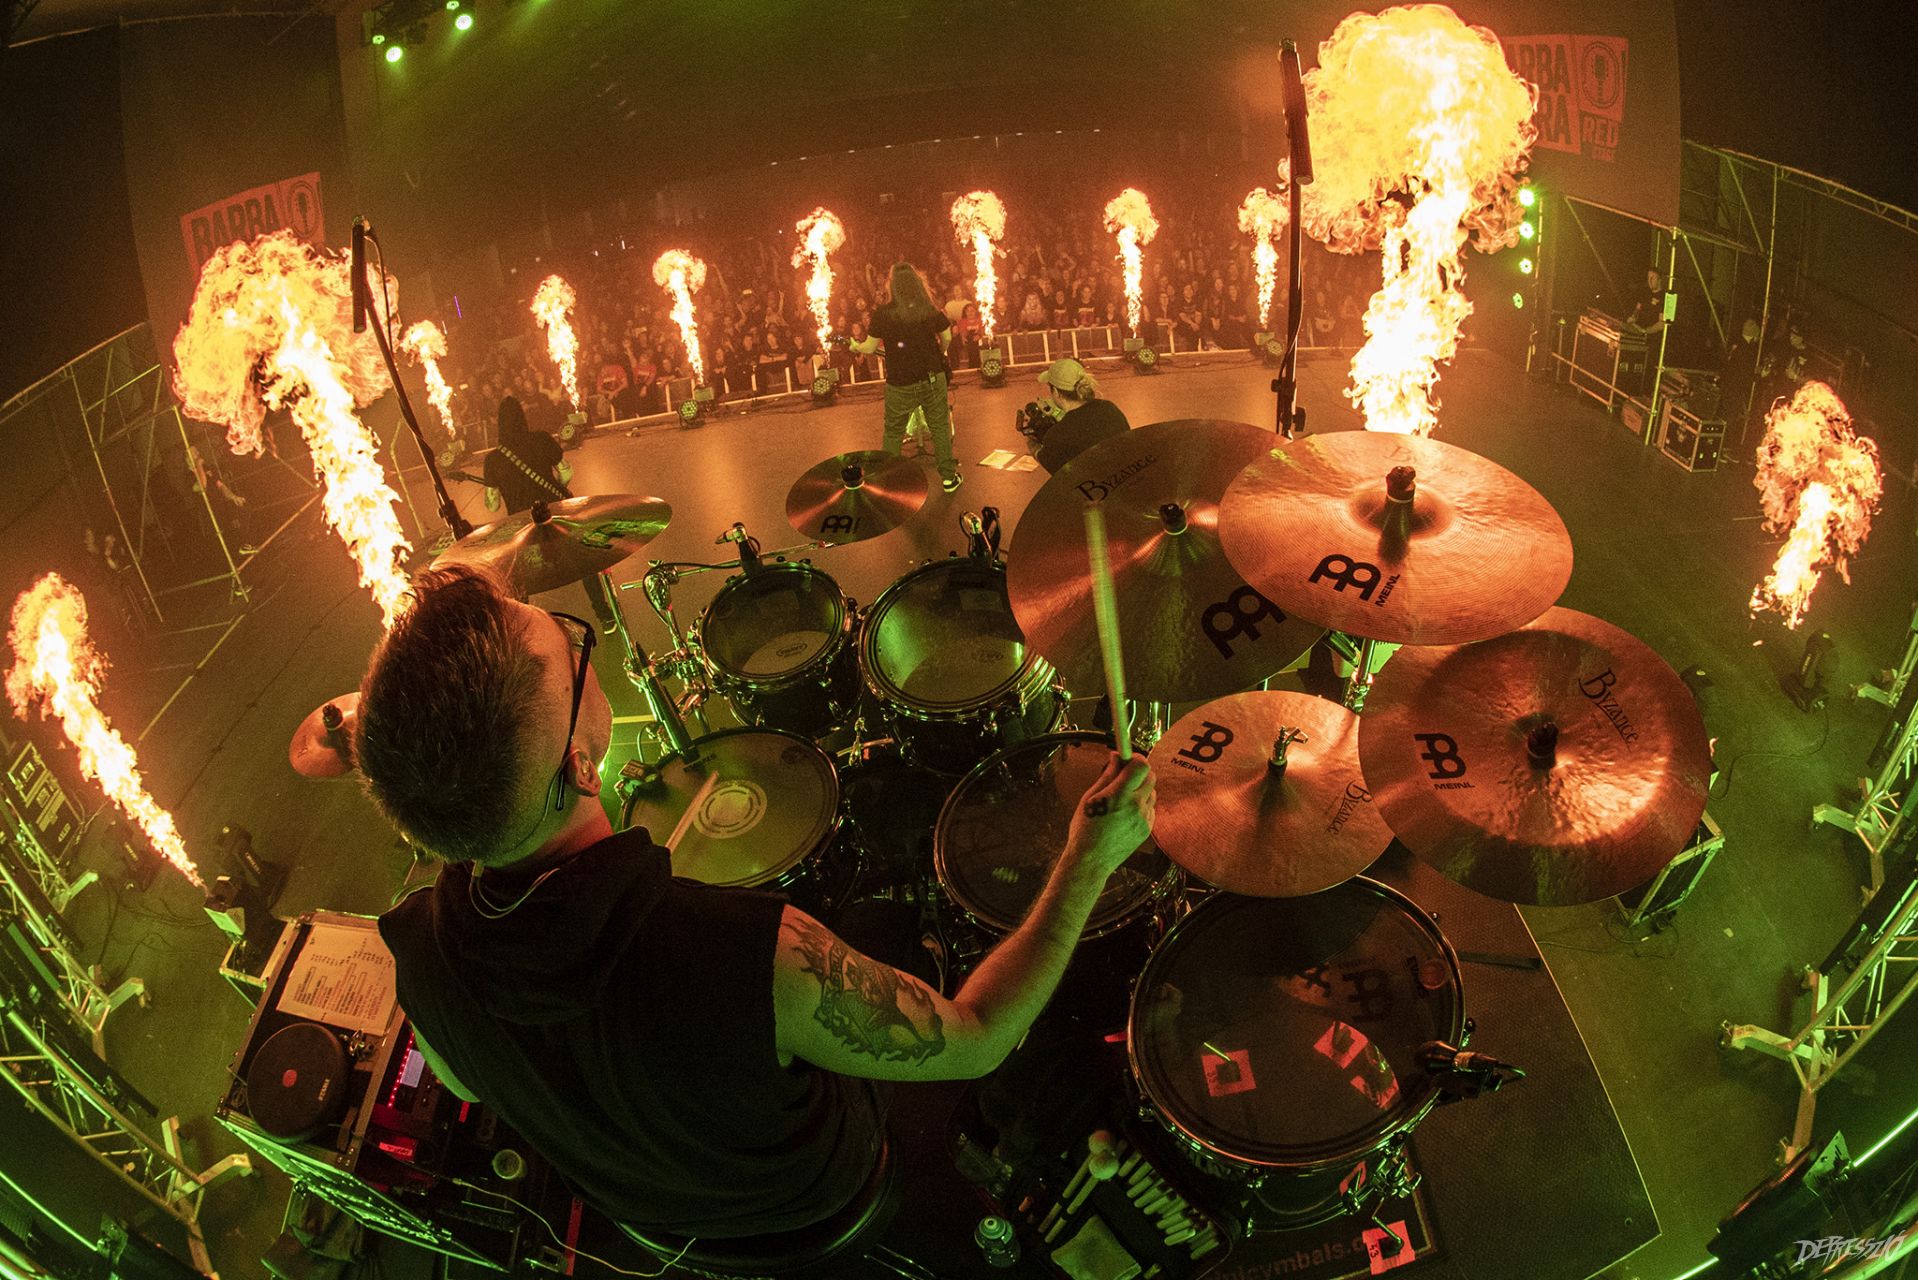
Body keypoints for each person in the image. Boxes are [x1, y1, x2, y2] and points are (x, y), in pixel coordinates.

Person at [355, 566, 1155, 1238]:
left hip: (659, 1224)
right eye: (571, 649)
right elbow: (978, 1037)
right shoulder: (749, 954)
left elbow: (466, 1084)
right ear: (580, 765)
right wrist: (1087, 859)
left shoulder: (418, 955)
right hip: (827, 1204)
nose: (579, 648)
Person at [849, 261, 961, 492]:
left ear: (893, 285)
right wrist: (938, 353)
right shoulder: (928, 309)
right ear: (917, 283)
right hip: (931, 378)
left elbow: (869, 348)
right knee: (939, 427)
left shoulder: (883, 313)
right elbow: (947, 336)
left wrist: (856, 346)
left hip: (900, 383)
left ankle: (890, 482)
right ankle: (949, 478)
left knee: (893, 432)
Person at [1026, 358, 1131, 474]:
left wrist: (1032, 445)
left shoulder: (1057, 435)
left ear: (1056, 392)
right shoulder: (1109, 408)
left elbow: (1049, 463)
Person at [481, 396, 570, 515]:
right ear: (522, 416)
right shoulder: (542, 439)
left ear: (500, 423)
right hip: (552, 512)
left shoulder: (493, 460)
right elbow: (567, 473)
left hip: (521, 520)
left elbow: (493, 506)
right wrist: (556, 489)